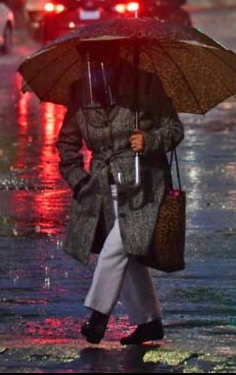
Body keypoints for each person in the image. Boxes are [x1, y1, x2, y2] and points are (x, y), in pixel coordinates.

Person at [55, 40, 184, 345]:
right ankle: (150, 322)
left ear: (116, 57)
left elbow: (174, 129)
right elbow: (66, 145)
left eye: (101, 59)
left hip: (145, 185)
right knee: (130, 254)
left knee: (118, 247)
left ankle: (98, 317)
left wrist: (150, 140)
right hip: (103, 188)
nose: (95, 67)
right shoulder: (80, 92)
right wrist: (79, 181)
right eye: (88, 60)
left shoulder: (146, 85)